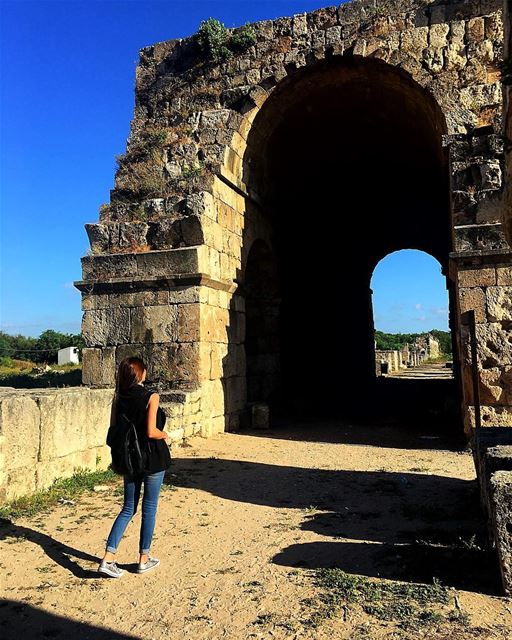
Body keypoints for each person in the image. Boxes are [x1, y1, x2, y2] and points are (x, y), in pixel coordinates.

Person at [98, 356, 171, 578]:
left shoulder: (118, 398)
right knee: (149, 508)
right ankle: (143, 559)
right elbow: (151, 431)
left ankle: (108, 558)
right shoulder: (152, 397)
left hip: (130, 459)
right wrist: (165, 434)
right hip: (152, 458)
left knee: (128, 508)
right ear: (141, 374)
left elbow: (114, 430)